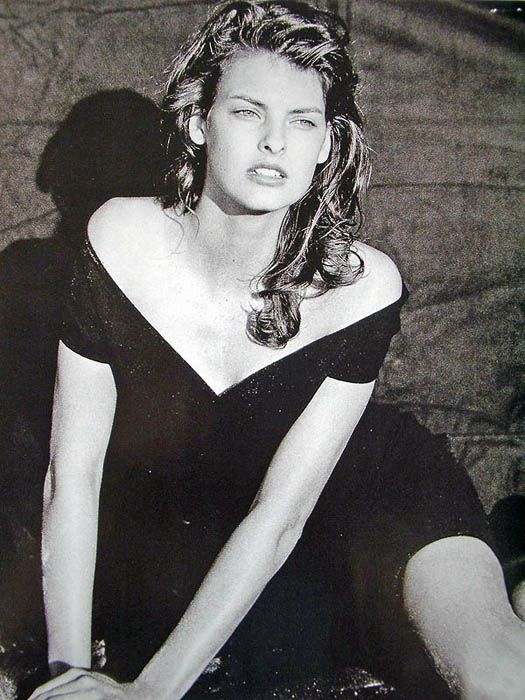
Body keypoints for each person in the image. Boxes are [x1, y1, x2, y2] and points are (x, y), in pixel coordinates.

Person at [28, 1, 525, 699]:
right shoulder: (117, 240)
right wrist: (67, 673)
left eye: (302, 121)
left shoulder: (362, 285)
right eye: (246, 112)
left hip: (358, 503)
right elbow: (72, 474)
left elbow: (281, 515)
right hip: (198, 540)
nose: (274, 143)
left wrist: (149, 694)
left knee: (499, 675)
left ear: (325, 144)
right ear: (197, 121)